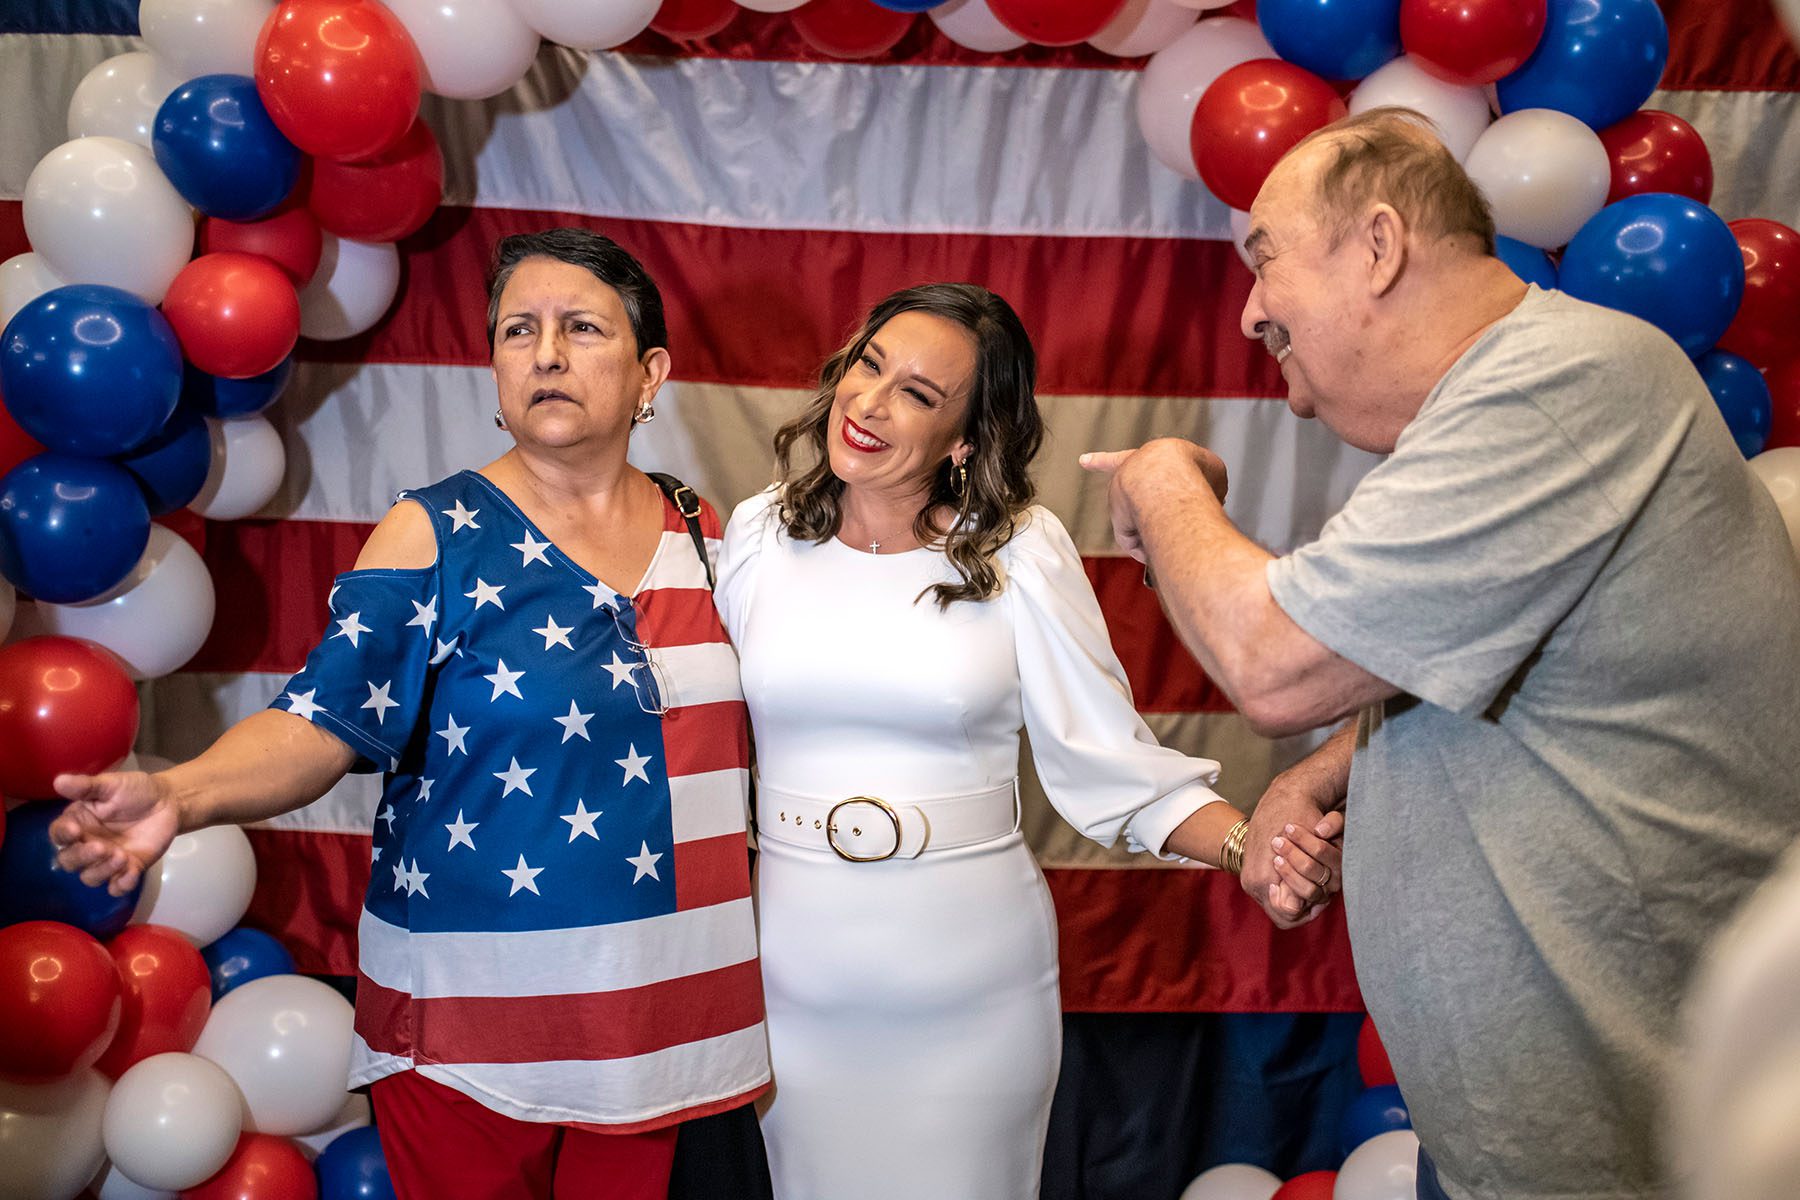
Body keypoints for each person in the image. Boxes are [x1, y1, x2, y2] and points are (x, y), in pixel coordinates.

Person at [1083, 108, 1800, 1200]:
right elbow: (1503, 673)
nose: (1248, 312)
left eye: (1264, 261)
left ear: (1377, 247)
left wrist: (1163, 480)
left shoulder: (1561, 383)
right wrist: (1325, 779)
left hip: (1628, 1152)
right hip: (1513, 1143)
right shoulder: (1504, 400)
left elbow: (1275, 666)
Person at [47, 228, 768, 1200]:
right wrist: (183, 791)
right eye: (519, 330)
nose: (545, 353)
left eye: (581, 327)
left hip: (662, 1022)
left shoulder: (705, 529)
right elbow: (322, 718)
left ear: (650, 374)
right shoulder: (434, 531)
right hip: (471, 1024)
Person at [714, 281, 1343, 1200]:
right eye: (869, 365)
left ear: (965, 439)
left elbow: (1112, 765)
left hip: (969, 981)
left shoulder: (1020, 548)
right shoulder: (758, 534)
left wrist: (1253, 848)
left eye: (920, 396)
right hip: (791, 974)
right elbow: (702, 742)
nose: (871, 403)